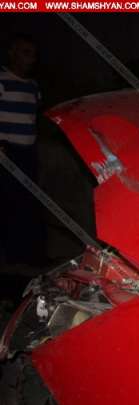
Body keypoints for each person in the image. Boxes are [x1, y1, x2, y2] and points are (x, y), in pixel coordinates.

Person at [0, 34, 43, 266]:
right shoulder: (2, 80)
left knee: (27, 203)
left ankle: (25, 256)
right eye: (25, 52)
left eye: (33, 54)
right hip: (7, 151)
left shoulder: (33, 85)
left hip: (28, 152)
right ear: (12, 53)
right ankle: (9, 257)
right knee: (8, 202)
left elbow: (33, 118)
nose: (31, 59)